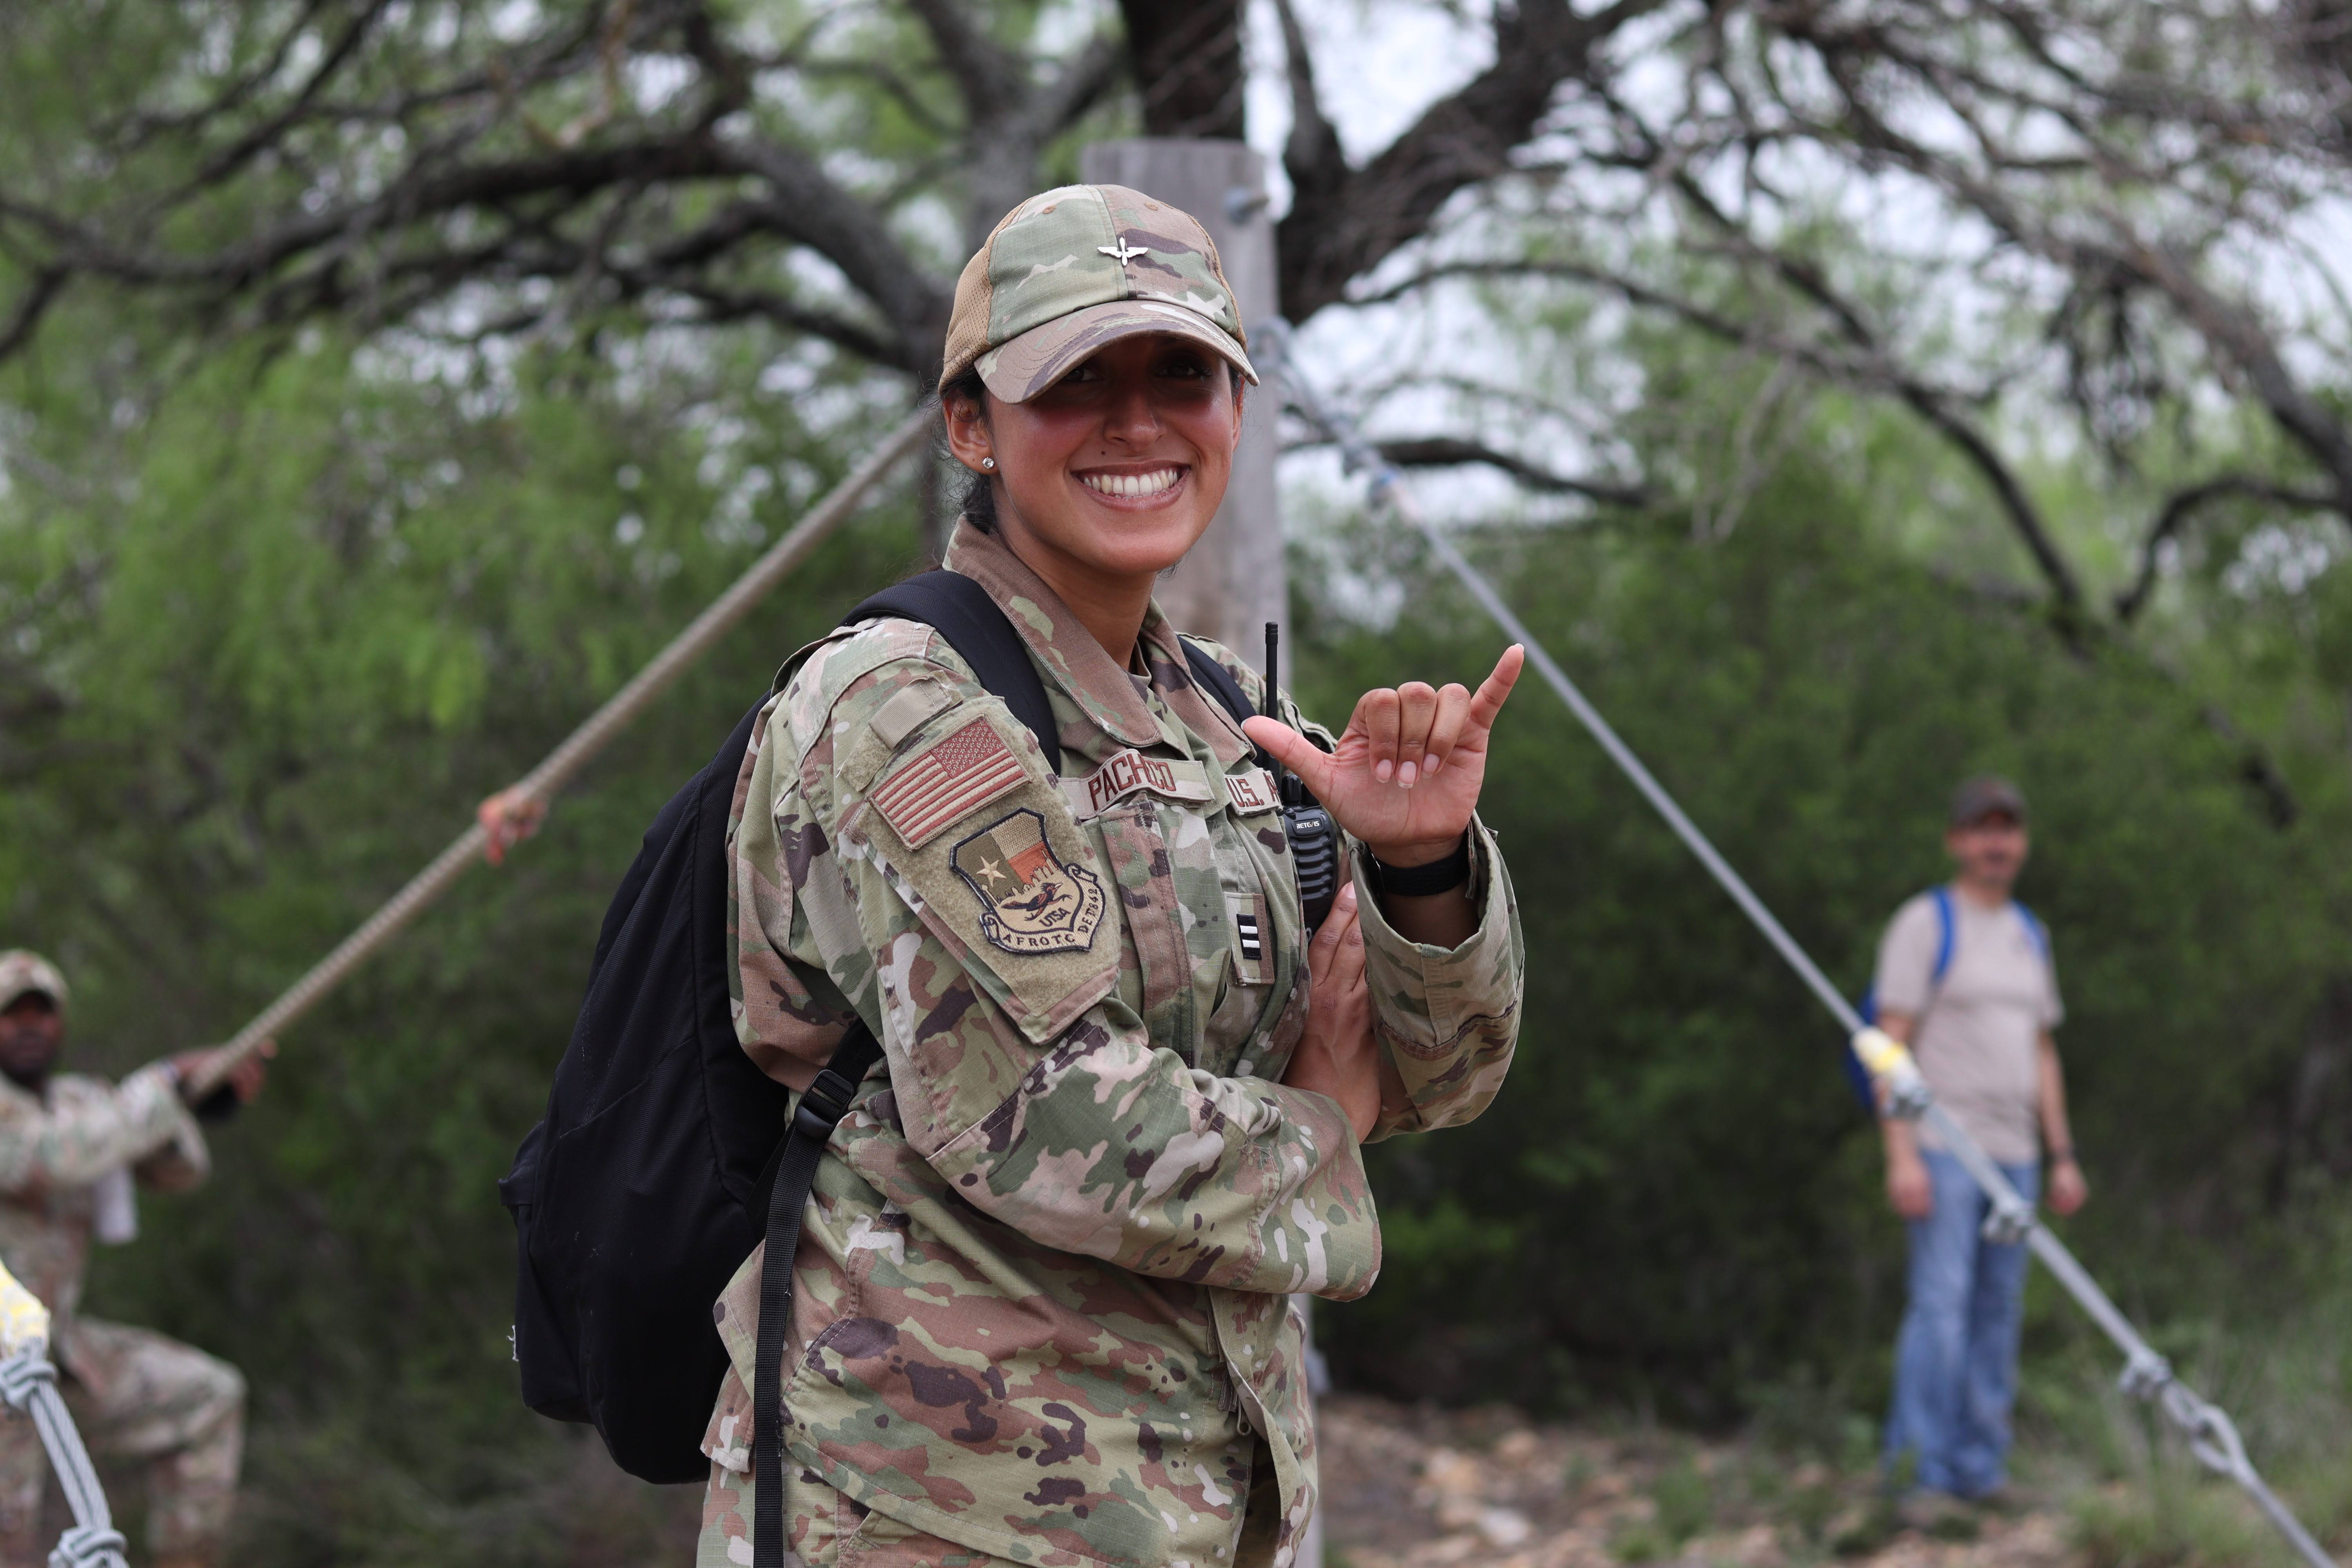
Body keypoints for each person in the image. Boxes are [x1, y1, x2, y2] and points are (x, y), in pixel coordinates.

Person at [692, 184, 1527, 1568]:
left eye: (1181, 373)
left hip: (1186, 1504)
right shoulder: (905, 705)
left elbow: (1443, 1077)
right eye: (1079, 379)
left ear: (1238, 410)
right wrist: (1318, 1129)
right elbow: (1036, 1111)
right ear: (973, 422)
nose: (1137, 422)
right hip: (934, 1509)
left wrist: (1421, 864)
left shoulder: (1221, 714)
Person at [0, 951, 272, 1568]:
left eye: (41, 1013)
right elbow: (56, 1158)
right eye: (11, 1014)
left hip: (57, 1359)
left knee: (207, 1396)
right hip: (1, 1370)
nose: (28, 1026)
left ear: (61, 1025)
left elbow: (178, 1170)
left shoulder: (79, 1101)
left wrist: (199, 1099)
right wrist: (166, 1085)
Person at [1874, 777, 2085, 1507]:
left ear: (2020, 843)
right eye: (1982, 828)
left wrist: (2062, 1155)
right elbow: (1888, 1046)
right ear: (1957, 841)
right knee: (1941, 1305)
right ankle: (1918, 1476)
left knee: (1998, 1311)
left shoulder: (2031, 933)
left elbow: (2042, 1051)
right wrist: (1902, 1154)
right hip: (1944, 1147)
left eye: (2008, 829)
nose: (1997, 842)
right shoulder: (1927, 924)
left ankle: (1979, 1469)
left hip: (2019, 1157)